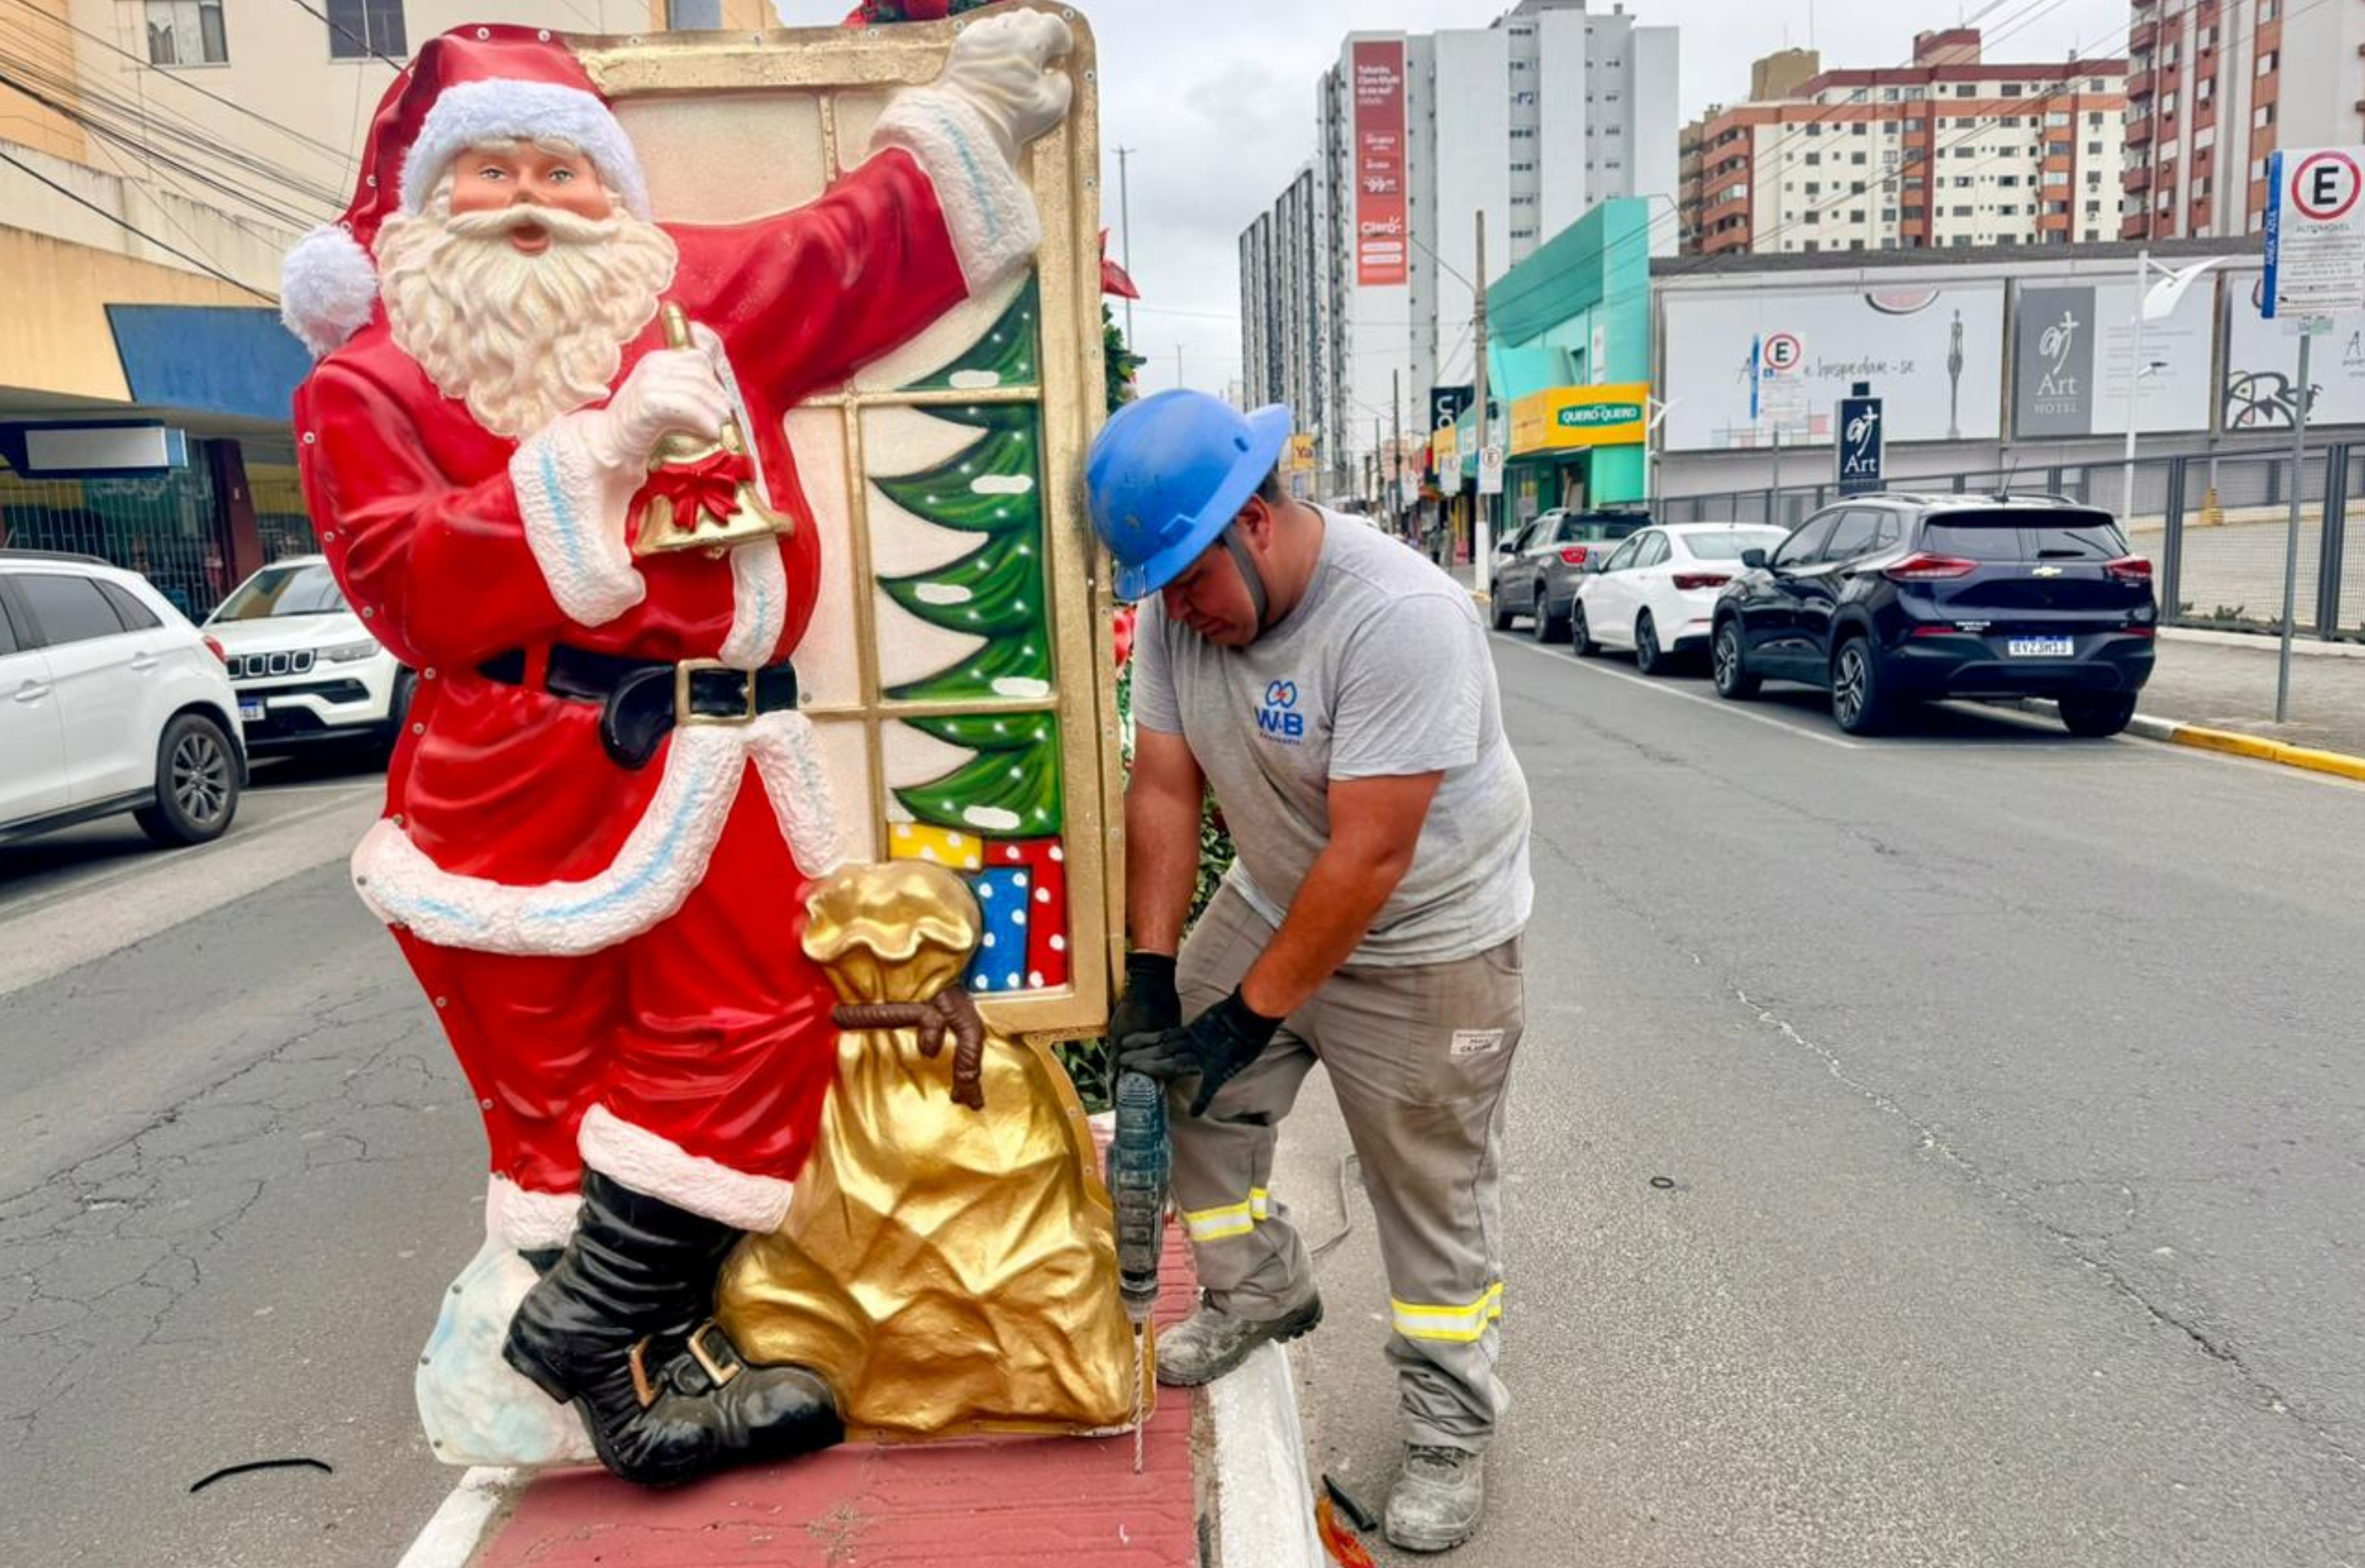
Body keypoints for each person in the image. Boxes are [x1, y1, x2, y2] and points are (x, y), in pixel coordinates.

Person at [283, 17, 1072, 1484]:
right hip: (518, 786)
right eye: (490, 169)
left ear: (613, 187)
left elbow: (847, 246)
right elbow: (404, 583)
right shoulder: (369, 385)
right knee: (550, 1092)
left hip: (723, 759)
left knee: (759, 1026)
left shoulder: (685, 298)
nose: (531, 198)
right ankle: (638, 1383)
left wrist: (973, 106)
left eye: (564, 169)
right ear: (424, 205)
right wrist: (592, 459)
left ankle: (586, 1329)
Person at [1088, 390, 1533, 1554]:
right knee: (1184, 1088)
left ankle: (1447, 1426)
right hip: (1280, 893)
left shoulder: (1400, 618)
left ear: (1262, 519)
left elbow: (1373, 853)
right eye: (1163, 589)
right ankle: (1256, 1288)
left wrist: (1249, 1017)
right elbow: (1166, 790)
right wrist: (1153, 983)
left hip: (1428, 937)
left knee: (1427, 1189)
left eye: (1191, 578)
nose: (1180, 611)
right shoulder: (1191, 625)